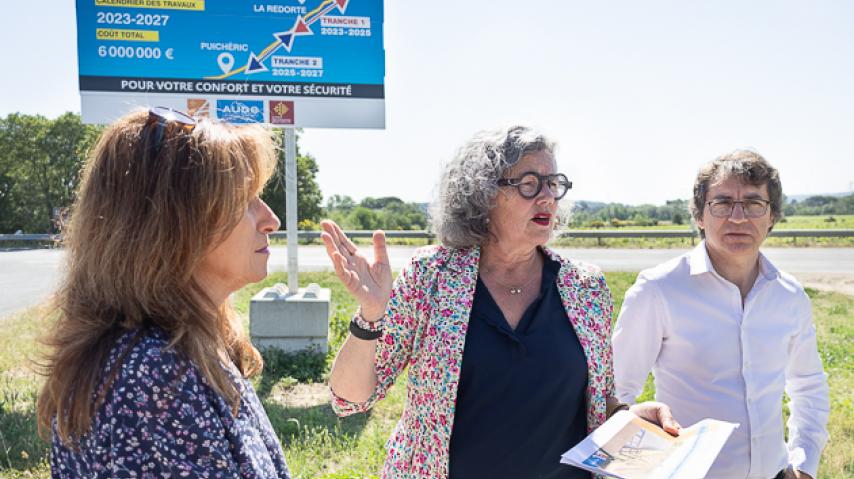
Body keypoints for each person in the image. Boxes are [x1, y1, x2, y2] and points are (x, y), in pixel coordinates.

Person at [322, 126, 681, 479]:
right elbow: (350, 400)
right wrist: (371, 315)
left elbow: (595, 403)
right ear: (482, 194)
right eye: (529, 184)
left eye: (553, 183)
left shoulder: (584, 287)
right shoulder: (432, 275)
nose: (547, 197)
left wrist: (629, 418)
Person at [36, 107, 292, 478]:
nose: (271, 219)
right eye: (245, 199)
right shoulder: (152, 375)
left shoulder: (187, 344)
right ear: (175, 224)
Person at [613, 150, 830, 479]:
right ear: (700, 216)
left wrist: (804, 466)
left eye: (754, 203)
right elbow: (614, 396)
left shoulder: (789, 296)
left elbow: (808, 387)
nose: (739, 217)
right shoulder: (657, 291)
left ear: (772, 216)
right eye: (723, 203)